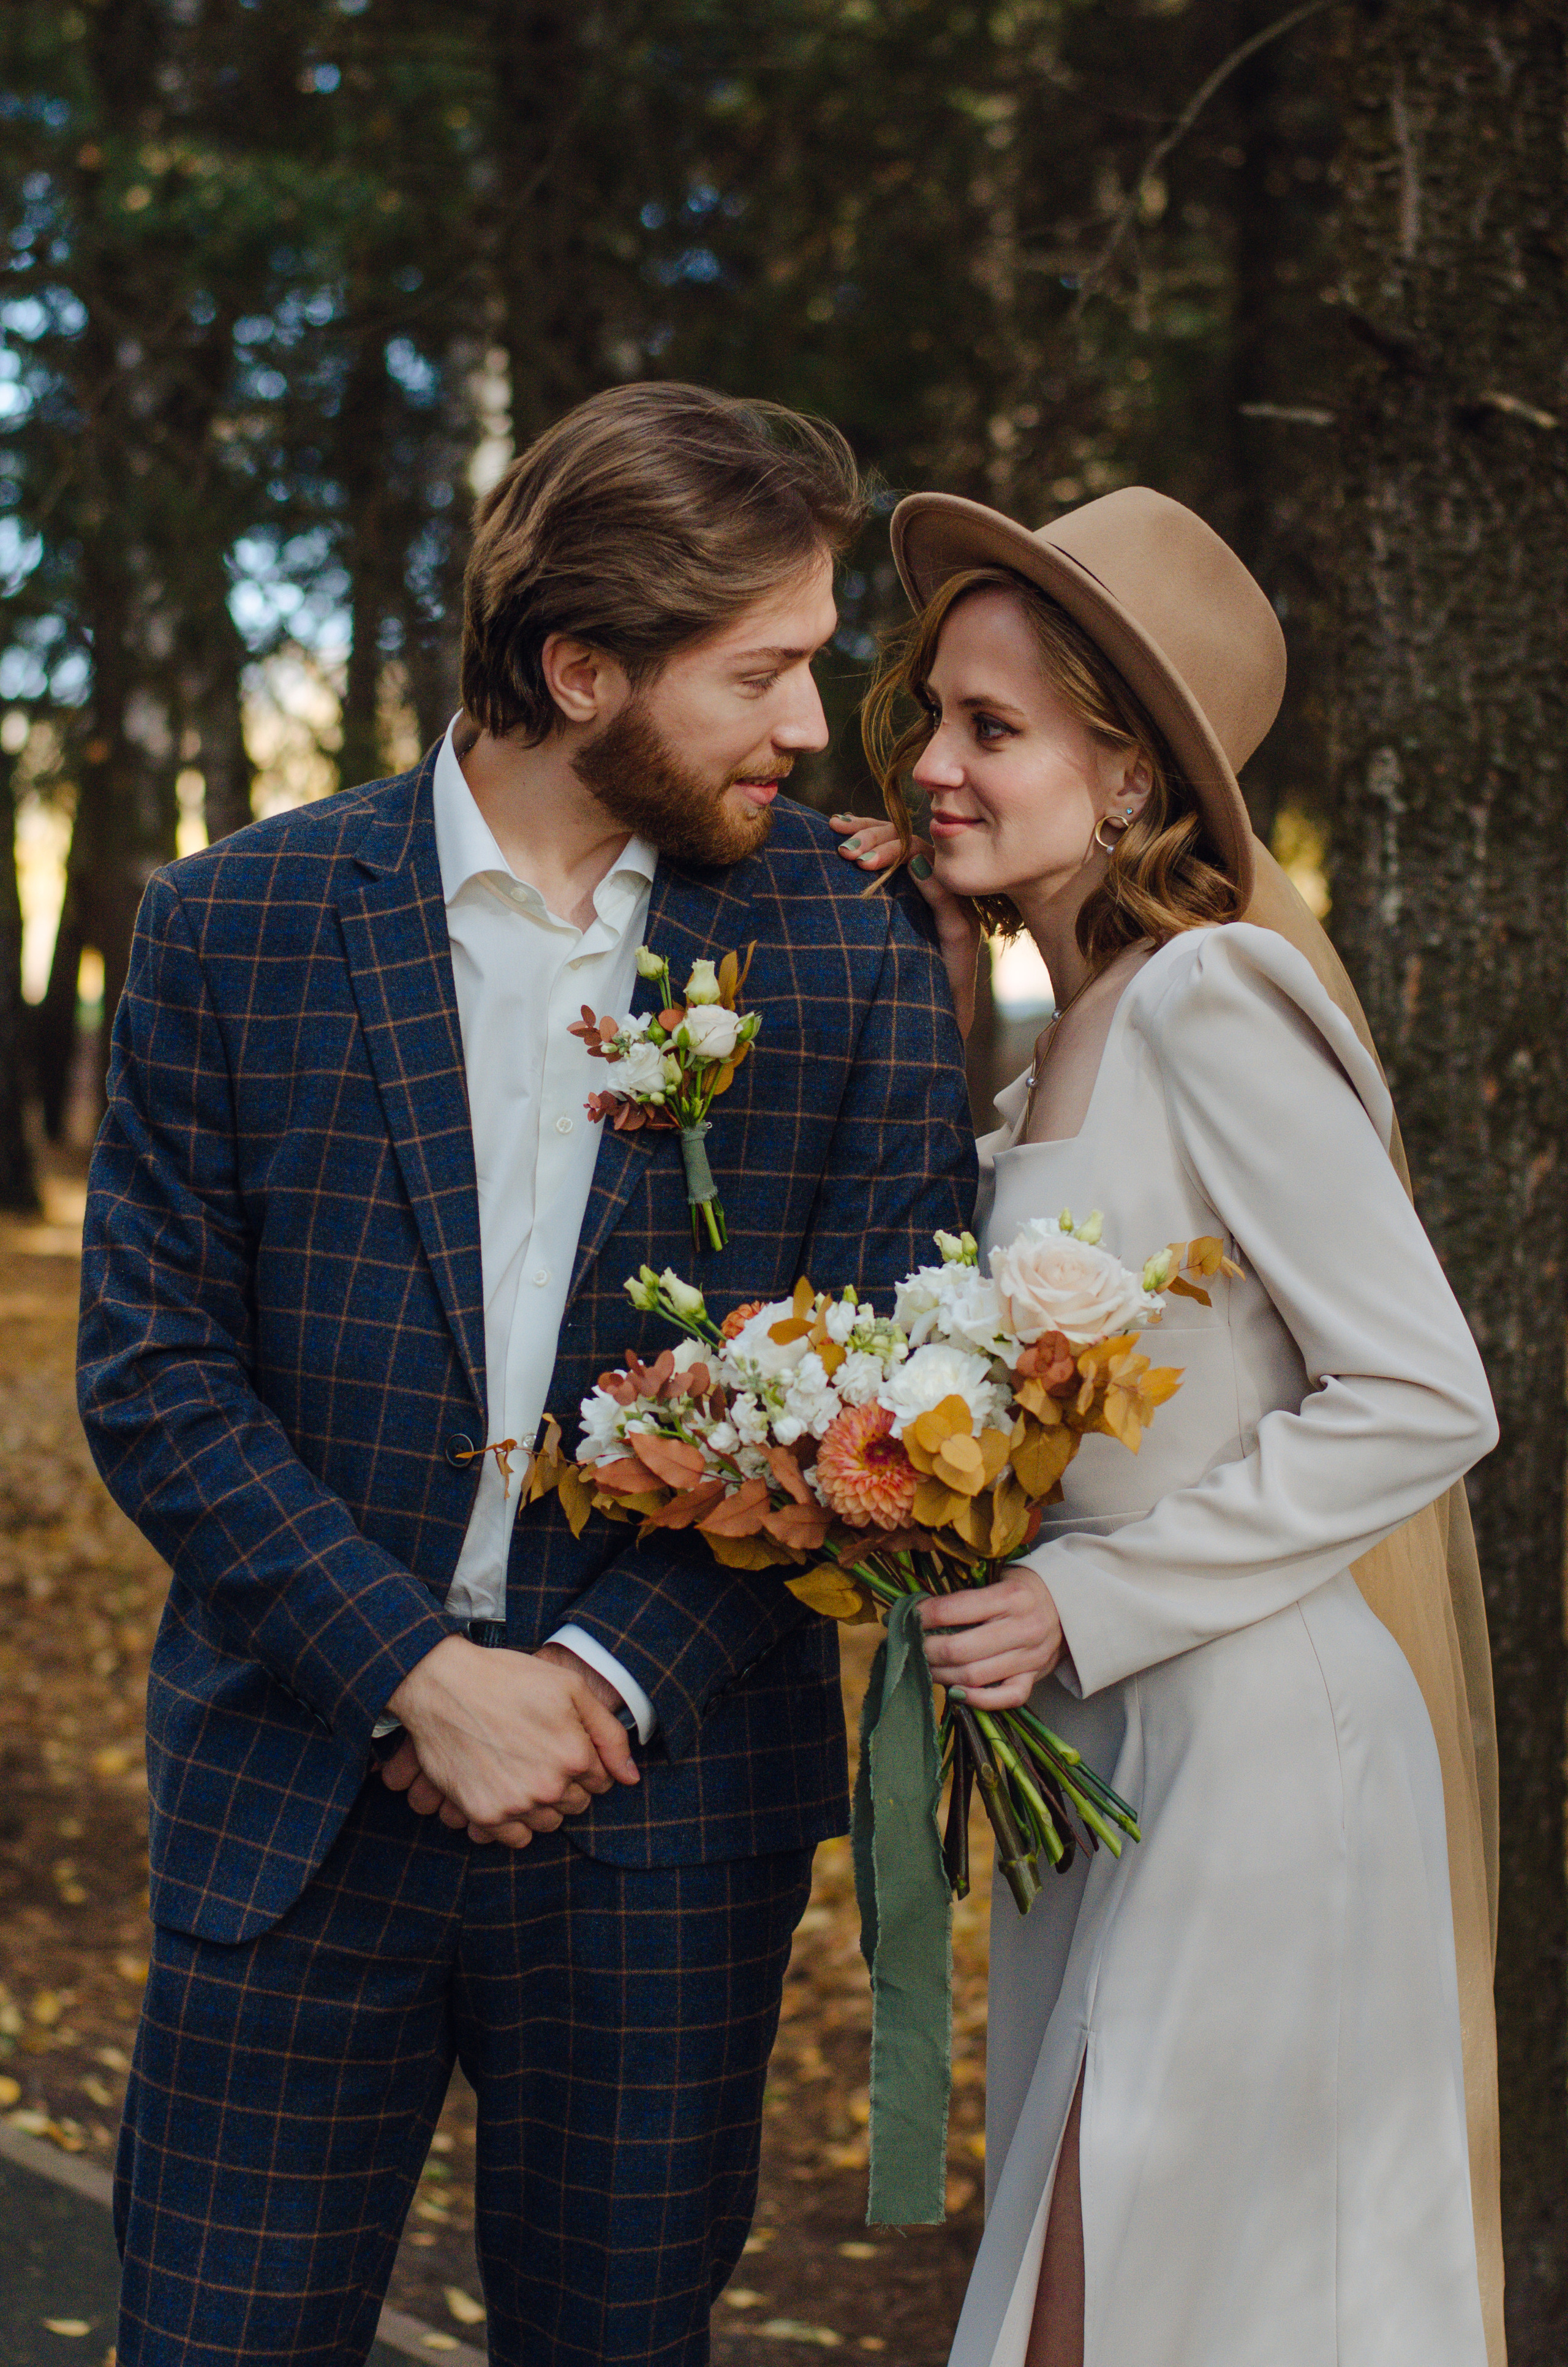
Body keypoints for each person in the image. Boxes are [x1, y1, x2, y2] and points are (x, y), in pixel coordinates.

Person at [78, 380, 978, 2367]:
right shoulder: (236, 927)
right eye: (761, 673)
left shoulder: (852, 951)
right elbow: (154, 1371)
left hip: (665, 1833)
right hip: (298, 1805)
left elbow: (886, 1394)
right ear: (582, 670)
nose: (812, 727)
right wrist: (414, 1672)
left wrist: (590, 1684)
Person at [831, 486, 1504, 2367]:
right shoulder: (1072, 1030)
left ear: (1130, 780)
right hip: (1110, 1765)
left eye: (993, 728)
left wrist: (1087, 1601)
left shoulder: (1212, 995)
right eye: (933, 716)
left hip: (1254, 1761)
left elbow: (1426, 1392)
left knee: (1119, 2309)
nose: (932, 764)